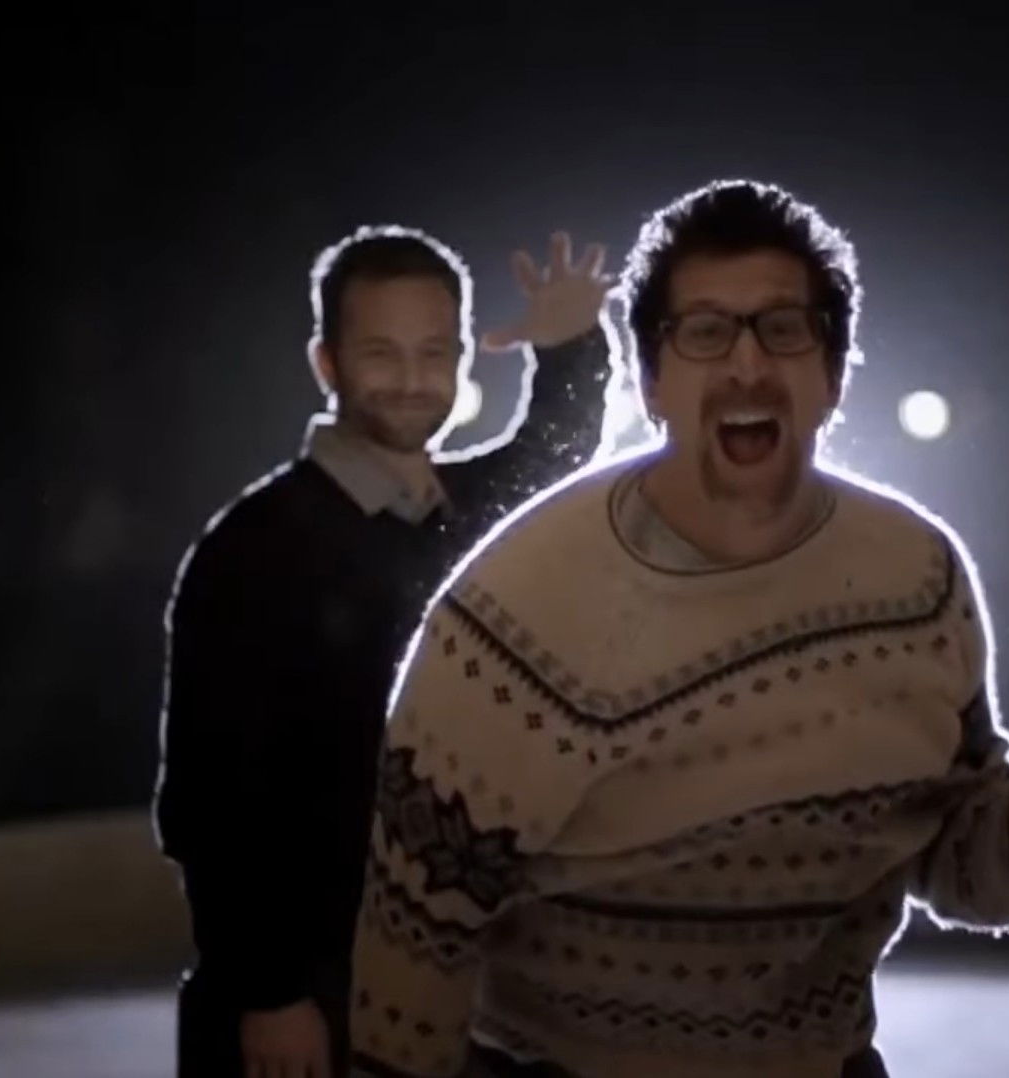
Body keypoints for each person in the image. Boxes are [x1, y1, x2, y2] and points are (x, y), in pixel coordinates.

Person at [347, 181, 1009, 1078]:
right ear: (652, 382)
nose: (746, 365)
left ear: (834, 376)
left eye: (784, 328)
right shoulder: (517, 610)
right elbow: (411, 944)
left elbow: (947, 845)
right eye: (704, 332)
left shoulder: (919, 579)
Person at [155, 224, 617, 1078]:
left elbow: (556, 450)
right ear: (326, 364)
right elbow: (212, 796)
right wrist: (268, 992)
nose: (410, 380)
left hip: (448, 978)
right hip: (307, 992)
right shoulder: (254, 549)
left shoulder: (464, 512)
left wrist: (572, 344)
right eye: (381, 353)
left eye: (434, 353)